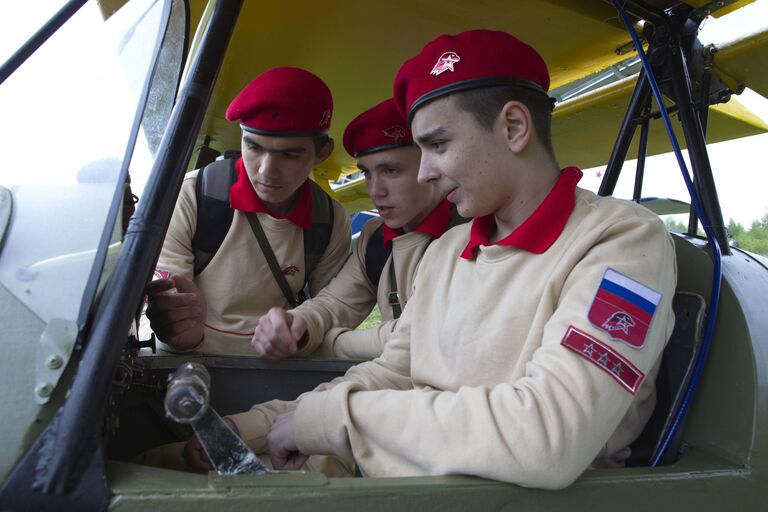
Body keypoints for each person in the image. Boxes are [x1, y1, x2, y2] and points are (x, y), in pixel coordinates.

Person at [194, 30, 678, 489]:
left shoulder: (622, 241)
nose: (425, 172)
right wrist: (259, 427)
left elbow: (548, 438)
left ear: (513, 127)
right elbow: (395, 372)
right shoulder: (449, 250)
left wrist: (331, 420)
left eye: (438, 144)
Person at [144, 67, 351, 355]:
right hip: (186, 364)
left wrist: (302, 334)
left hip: (280, 373)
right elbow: (169, 312)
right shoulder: (191, 196)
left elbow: (332, 307)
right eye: (253, 147)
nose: (267, 171)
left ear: (322, 153)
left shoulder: (330, 220)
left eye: (290, 154)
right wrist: (181, 331)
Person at [250, 98, 466, 361]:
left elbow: (421, 335)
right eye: (367, 173)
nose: (375, 191)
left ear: (431, 164)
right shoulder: (375, 236)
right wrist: (297, 326)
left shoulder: (474, 232)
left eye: (390, 170)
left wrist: (331, 345)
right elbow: (335, 304)